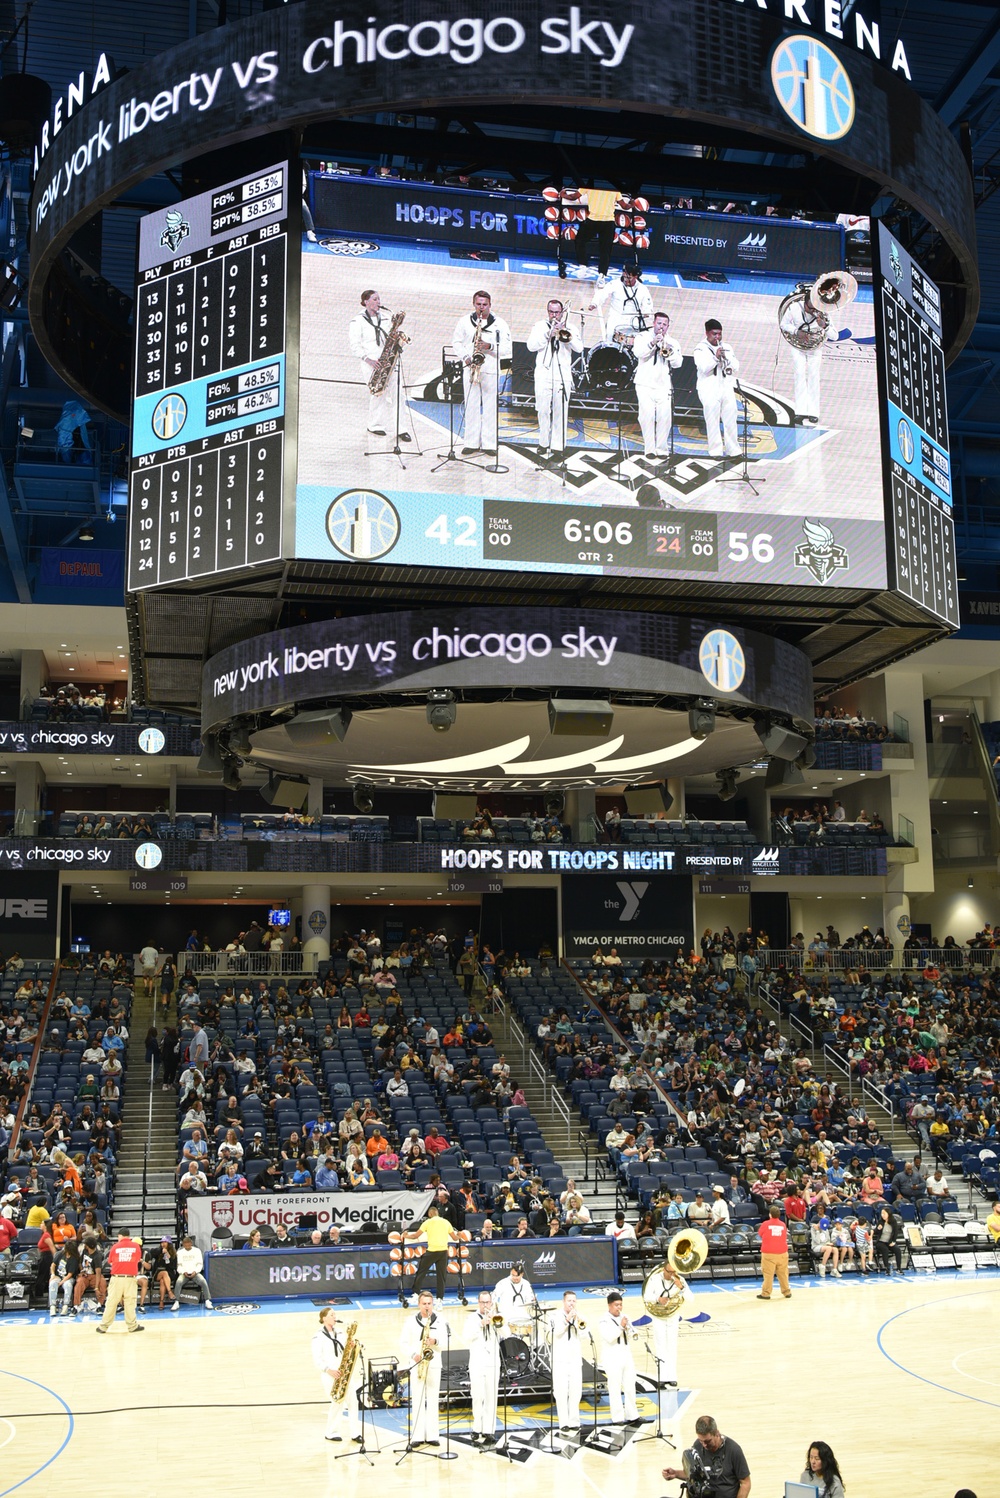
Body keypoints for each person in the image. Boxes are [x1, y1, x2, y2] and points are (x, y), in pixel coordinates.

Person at [452, 289, 512, 455]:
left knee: (490, 407)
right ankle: (471, 442)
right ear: (474, 304)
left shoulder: (500, 324)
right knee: (471, 405)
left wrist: (489, 346)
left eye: (485, 304)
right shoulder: (464, 321)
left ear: (490, 305)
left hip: (490, 369)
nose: (481, 307)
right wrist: (465, 357)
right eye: (478, 304)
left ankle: (489, 444)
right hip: (471, 368)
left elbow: (508, 348)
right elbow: (456, 342)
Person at [348, 289, 411, 441]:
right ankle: (375, 425)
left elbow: (391, 336)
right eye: (375, 299)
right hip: (371, 363)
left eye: (379, 299)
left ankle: (401, 429)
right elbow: (354, 345)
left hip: (389, 360)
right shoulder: (357, 321)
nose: (378, 302)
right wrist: (368, 359)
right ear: (366, 302)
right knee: (378, 393)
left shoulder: (387, 318)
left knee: (398, 394)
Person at [526, 298, 583, 459]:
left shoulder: (570, 327)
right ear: (547, 312)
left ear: (562, 312)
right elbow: (531, 346)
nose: (554, 316)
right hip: (543, 374)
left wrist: (567, 334)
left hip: (562, 375)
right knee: (542, 410)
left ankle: (558, 446)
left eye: (557, 312)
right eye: (551, 312)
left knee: (561, 411)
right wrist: (547, 335)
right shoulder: (539, 326)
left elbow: (579, 348)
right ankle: (543, 442)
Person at [780, 283, 838, 425]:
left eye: (815, 309)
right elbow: (783, 324)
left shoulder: (823, 313)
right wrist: (796, 332)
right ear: (805, 303)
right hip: (797, 346)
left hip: (815, 348)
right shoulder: (794, 307)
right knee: (799, 375)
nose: (812, 311)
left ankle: (813, 412)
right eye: (810, 308)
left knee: (813, 377)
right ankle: (800, 411)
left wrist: (825, 325)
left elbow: (834, 336)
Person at [399, 1289, 448, 1446]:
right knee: (418, 1399)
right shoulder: (410, 1321)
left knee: (433, 1399)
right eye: (424, 1304)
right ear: (419, 1304)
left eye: (429, 1304)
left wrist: (436, 1342)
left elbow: (447, 1343)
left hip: (434, 1364)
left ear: (433, 1304)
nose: (427, 1307)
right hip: (417, 1364)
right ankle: (417, 1436)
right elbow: (403, 1343)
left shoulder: (441, 1320)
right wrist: (414, 1354)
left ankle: (433, 1435)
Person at [663, 1414, 751, 1498]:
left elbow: (745, 1483)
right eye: (701, 1441)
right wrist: (676, 1473)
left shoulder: (733, 1450)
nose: (704, 1445)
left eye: (708, 1441)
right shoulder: (698, 1446)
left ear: (717, 1433)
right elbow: (694, 1475)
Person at [632, 311, 682, 458]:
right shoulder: (642, 337)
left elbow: (678, 363)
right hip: (644, 383)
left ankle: (661, 449)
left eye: (665, 324)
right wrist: (653, 343)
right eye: (659, 323)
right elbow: (638, 353)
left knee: (665, 418)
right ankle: (649, 449)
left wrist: (670, 352)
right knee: (646, 416)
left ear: (668, 326)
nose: (661, 327)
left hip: (664, 385)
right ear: (654, 323)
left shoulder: (673, 342)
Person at [311, 1307, 362, 1442]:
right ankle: (331, 1432)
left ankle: (355, 1433)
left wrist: (350, 1345)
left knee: (353, 1402)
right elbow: (317, 1359)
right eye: (331, 1315)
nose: (335, 1317)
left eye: (334, 1314)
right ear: (324, 1318)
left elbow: (344, 1350)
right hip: (329, 1374)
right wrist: (329, 1370)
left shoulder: (340, 1332)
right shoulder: (318, 1337)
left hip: (345, 1372)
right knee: (337, 1402)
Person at [693, 318, 741, 459]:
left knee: (731, 418)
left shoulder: (727, 347)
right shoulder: (700, 348)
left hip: (726, 387)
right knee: (712, 420)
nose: (717, 337)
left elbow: (736, 367)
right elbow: (704, 368)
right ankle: (715, 451)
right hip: (708, 388)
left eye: (720, 334)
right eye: (714, 334)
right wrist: (715, 358)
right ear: (707, 333)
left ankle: (734, 450)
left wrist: (728, 359)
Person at [466, 1289, 502, 1445]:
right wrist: (481, 1324)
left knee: (491, 1397)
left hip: (493, 1363)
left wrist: (497, 1321)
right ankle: (476, 1427)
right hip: (477, 1362)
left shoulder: (496, 1317)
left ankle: (489, 1430)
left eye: (488, 1302)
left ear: (491, 1303)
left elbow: (506, 1333)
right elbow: (467, 1336)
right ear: (478, 1302)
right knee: (477, 1396)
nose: (485, 1305)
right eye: (483, 1302)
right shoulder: (471, 1318)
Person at [598, 1290, 641, 1425]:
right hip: (612, 1357)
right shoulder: (603, 1320)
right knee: (615, 1387)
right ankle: (617, 1417)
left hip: (626, 1355)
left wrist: (630, 1329)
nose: (619, 1308)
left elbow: (632, 1334)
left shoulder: (624, 1316)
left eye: (621, 1305)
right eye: (616, 1305)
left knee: (630, 1386)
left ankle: (633, 1415)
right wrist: (622, 1327)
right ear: (609, 1305)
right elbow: (610, 1337)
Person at [641, 1263, 688, 1384]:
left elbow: (691, 1298)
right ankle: (662, 1377)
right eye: (669, 1272)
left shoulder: (680, 1280)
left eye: (674, 1272)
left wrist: (682, 1288)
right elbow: (646, 1296)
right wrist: (658, 1299)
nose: (672, 1275)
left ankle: (672, 1376)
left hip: (673, 1317)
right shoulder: (654, 1278)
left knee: (672, 1345)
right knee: (660, 1345)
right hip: (658, 1317)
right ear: (664, 1270)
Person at [403, 1204, 458, 1305]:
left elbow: (416, 1235)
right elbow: (455, 1238)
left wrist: (406, 1235)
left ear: (430, 1213)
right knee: (441, 1277)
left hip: (432, 1251)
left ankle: (415, 1294)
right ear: (437, 1213)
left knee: (421, 1272)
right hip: (443, 1252)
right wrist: (461, 1235)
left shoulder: (427, 1222)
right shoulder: (446, 1222)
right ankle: (439, 1300)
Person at [548, 1289, 586, 1429]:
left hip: (575, 1359)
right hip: (560, 1359)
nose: (572, 1303)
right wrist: (567, 1320)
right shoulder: (554, 1316)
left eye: (574, 1301)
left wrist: (577, 1323)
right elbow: (555, 1333)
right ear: (563, 1301)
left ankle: (574, 1421)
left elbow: (585, 1336)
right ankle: (563, 1422)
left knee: (576, 1392)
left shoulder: (580, 1316)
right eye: (569, 1301)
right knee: (561, 1392)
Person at [95, 1229, 144, 1334]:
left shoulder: (115, 1247)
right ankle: (132, 1326)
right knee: (130, 1302)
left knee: (111, 1302)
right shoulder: (136, 1246)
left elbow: (110, 1261)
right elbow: (137, 1260)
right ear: (128, 1236)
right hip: (130, 1278)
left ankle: (104, 1327)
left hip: (117, 1278)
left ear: (120, 1236)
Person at [589, 263, 653, 339]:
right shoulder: (615, 283)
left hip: (633, 319)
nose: (626, 279)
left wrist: (646, 312)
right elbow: (603, 293)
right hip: (616, 317)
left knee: (641, 336)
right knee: (609, 334)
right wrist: (594, 303)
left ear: (635, 277)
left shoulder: (643, 289)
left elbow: (648, 306)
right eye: (624, 277)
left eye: (629, 277)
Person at [757, 1202, 792, 1299]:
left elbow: (760, 1234)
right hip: (782, 1253)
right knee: (783, 1273)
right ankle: (786, 1292)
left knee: (768, 1274)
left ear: (770, 1214)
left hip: (769, 1253)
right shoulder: (783, 1225)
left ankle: (766, 1293)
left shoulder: (765, 1224)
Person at [171, 1234, 214, 1308]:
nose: (187, 1245)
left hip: (195, 1273)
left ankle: (207, 1300)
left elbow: (200, 1264)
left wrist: (196, 1271)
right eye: (185, 1243)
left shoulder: (197, 1251)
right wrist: (183, 1272)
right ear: (183, 1244)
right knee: (178, 1282)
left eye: (188, 1243)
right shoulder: (179, 1252)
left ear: (191, 1243)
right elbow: (178, 1266)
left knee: (203, 1281)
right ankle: (176, 1301)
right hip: (184, 1273)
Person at [874, 1205, 904, 1274]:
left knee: (897, 1250)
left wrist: (893, 1241)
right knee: (885, 1250)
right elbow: (875, 1232)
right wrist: (878, 1229)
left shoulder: (893, 1222)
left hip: (890, 1241)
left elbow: (896, 1232)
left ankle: (899, 1268)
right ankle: (887, 1268)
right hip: (881, 1242)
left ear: (888, 1214)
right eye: (882, 1213)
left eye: (884, 1213)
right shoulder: (880, 1222)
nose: (882, 1215)